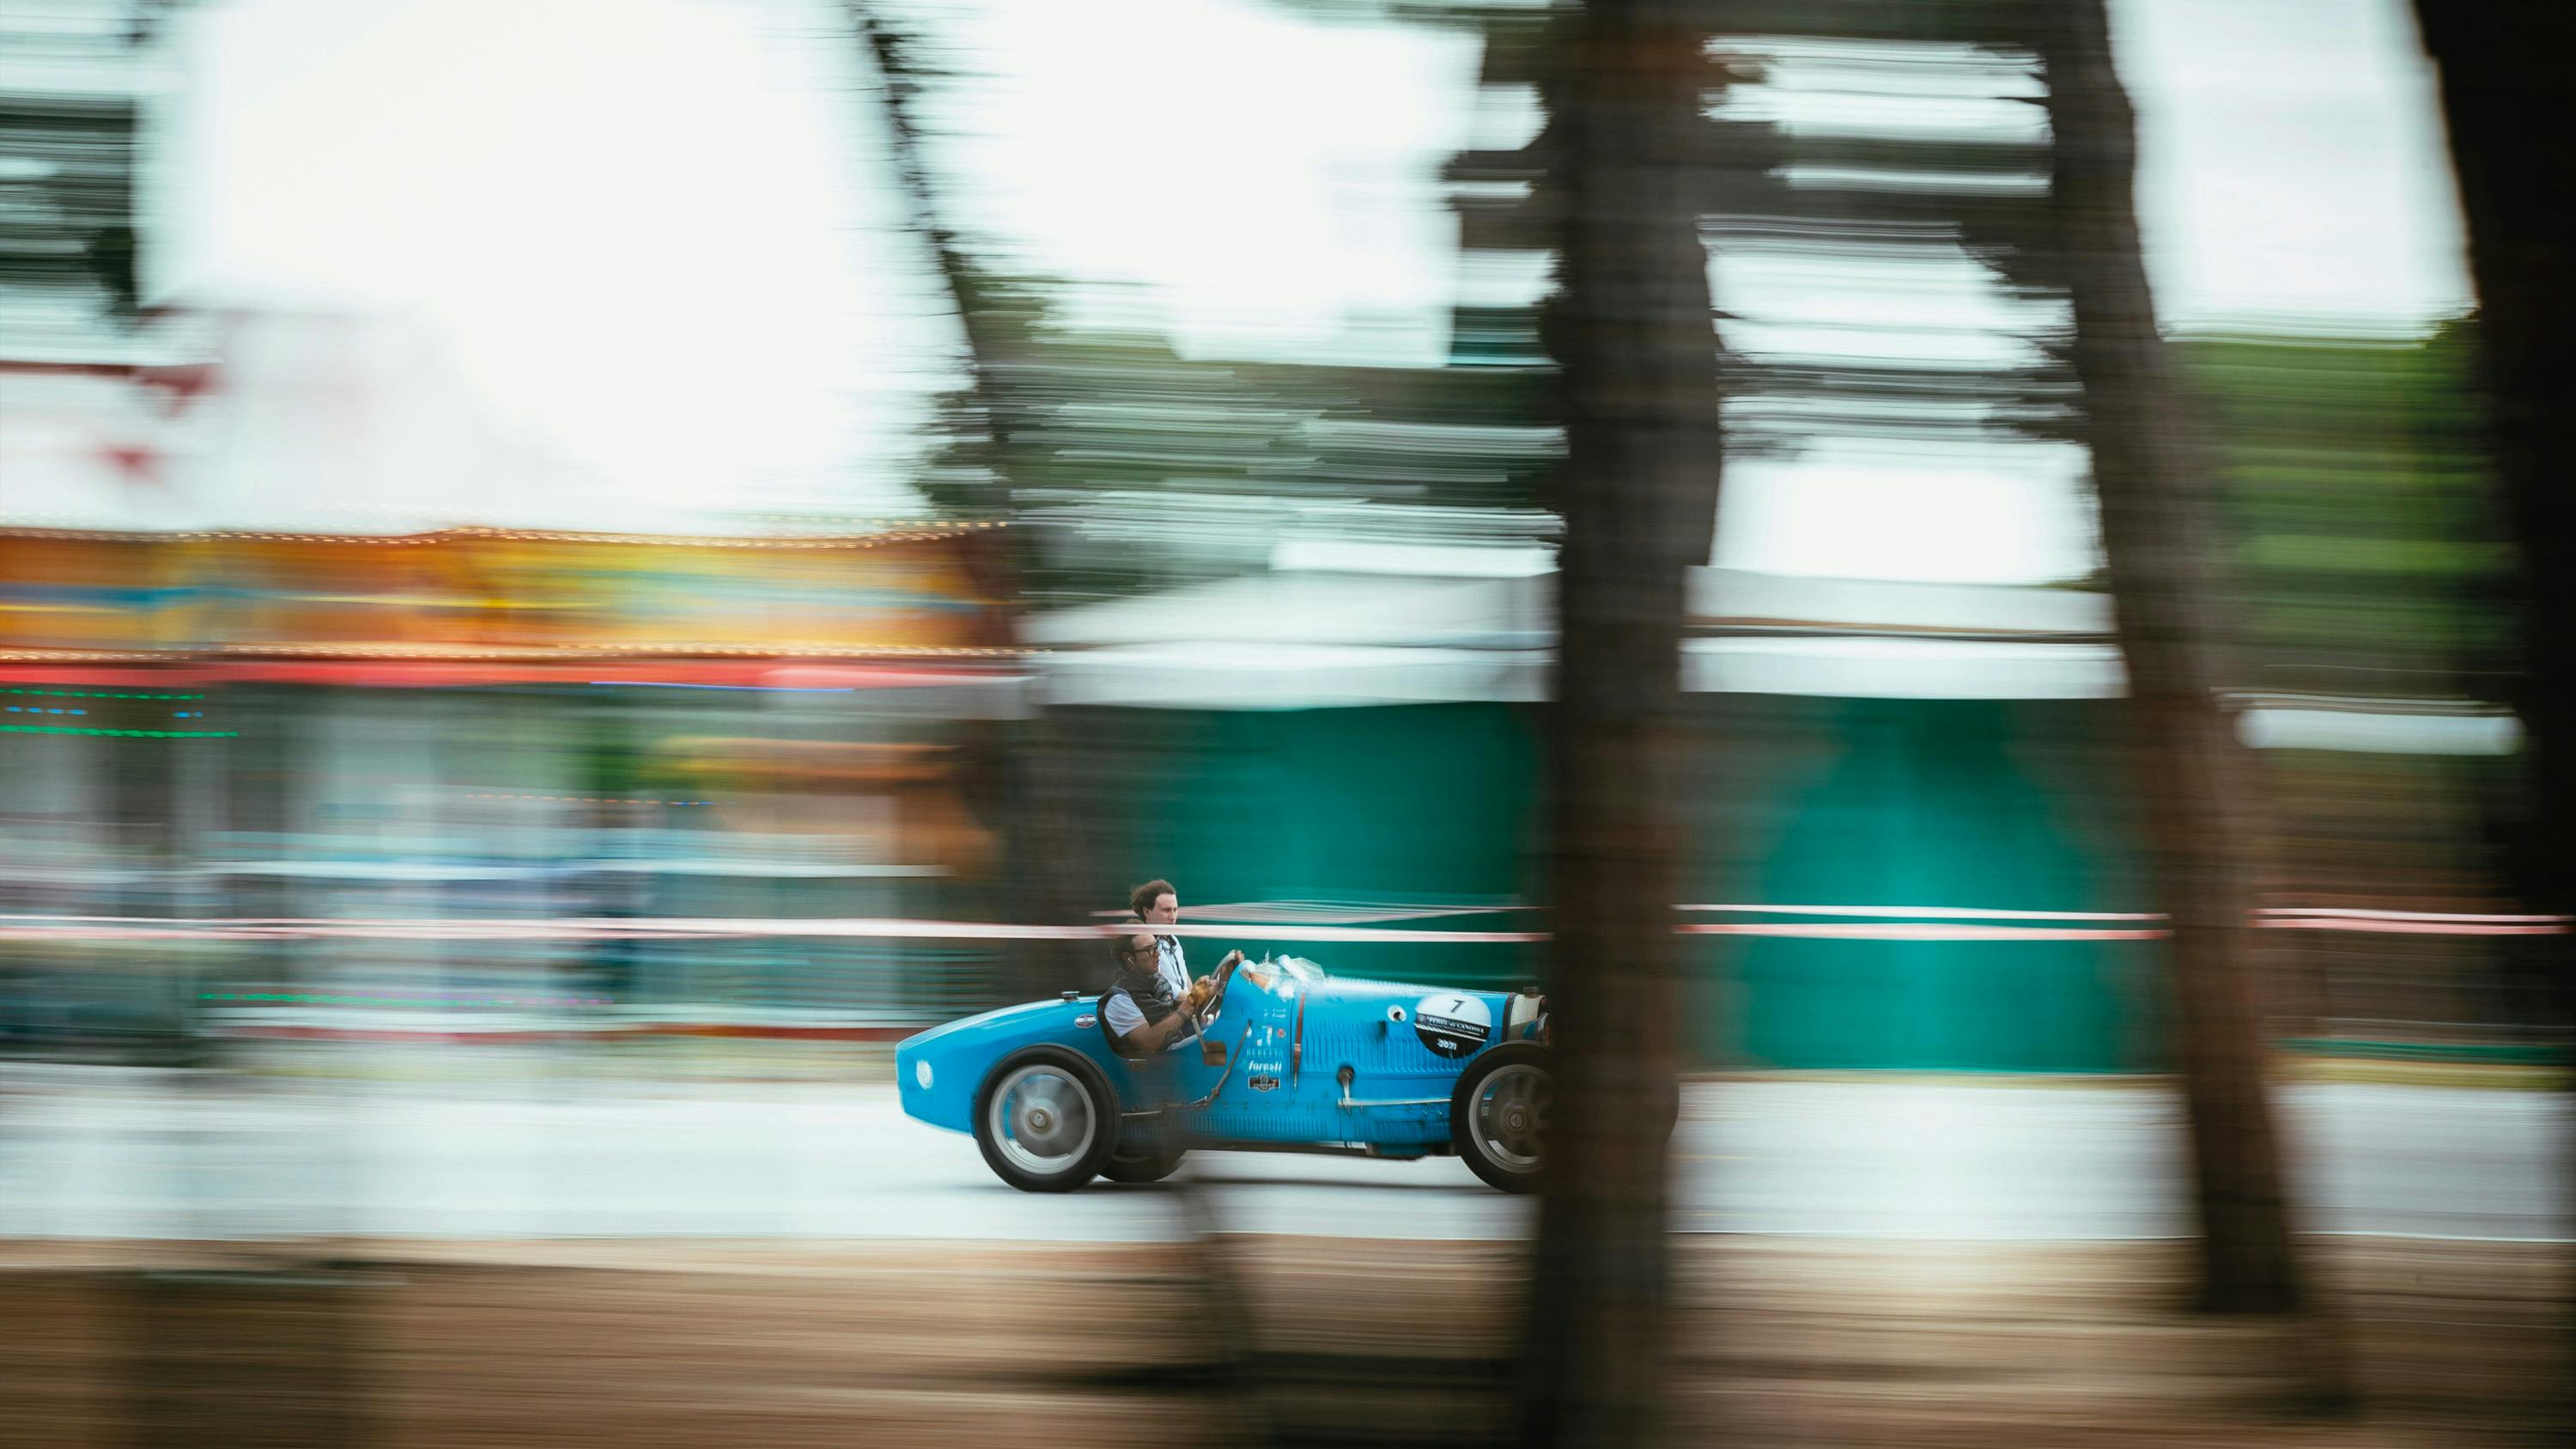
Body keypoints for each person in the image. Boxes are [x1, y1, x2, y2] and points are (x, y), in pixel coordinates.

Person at [1102, 879, 1241, 1056]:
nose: (1173, 916)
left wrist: (1221, 982)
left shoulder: (1171, 945)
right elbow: (1150, 1042)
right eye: (1167, 910)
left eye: (1175, 910)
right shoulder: (1120, 998)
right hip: (1169, 1050)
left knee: (1236, 1031)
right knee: (1230, 1042)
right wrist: (1194, 1000)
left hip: (1182, 1032)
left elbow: (1190, 992)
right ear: (1147, 912)